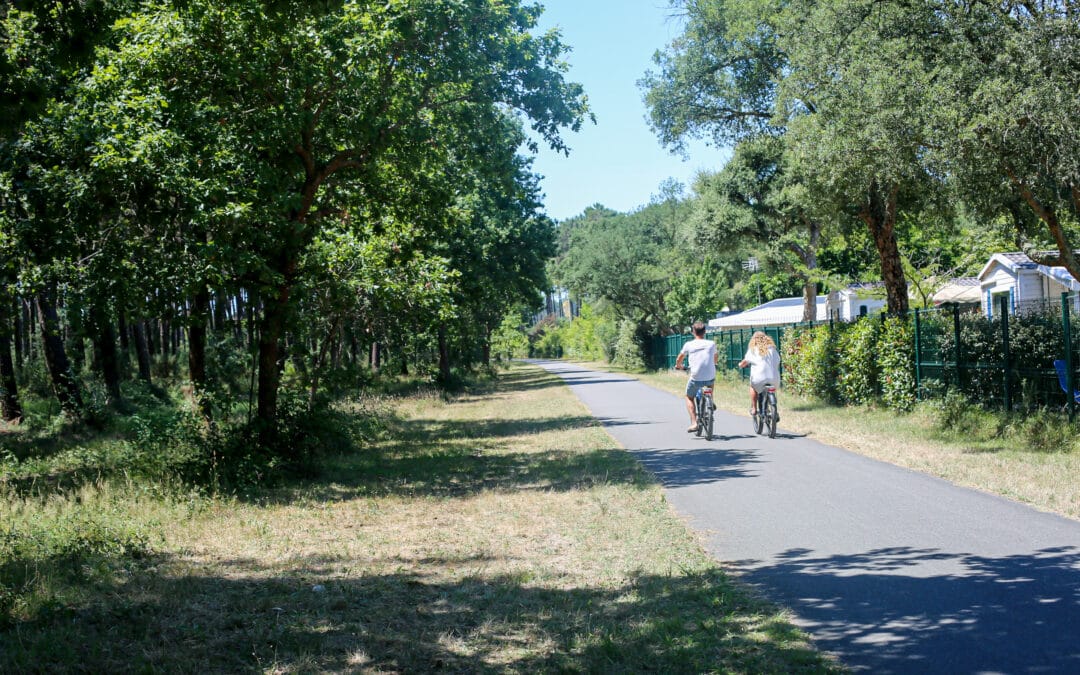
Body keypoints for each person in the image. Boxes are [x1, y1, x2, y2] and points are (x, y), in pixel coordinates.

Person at [674, 321, 719, 432]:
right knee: (710, 382)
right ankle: (710, 401)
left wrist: (678, 366)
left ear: (693, 332)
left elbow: (680, 358)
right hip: (710, 376)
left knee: (689, 397)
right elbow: (716, 357)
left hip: (696, 377)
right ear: (704, 331)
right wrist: (714, 363)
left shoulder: (689, 344)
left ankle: (694, 423)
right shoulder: (711, 343)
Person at [738, 331, 781, 418]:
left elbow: (745, 362)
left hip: (759, 379)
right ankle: (773, 409)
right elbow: (778, 361)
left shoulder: (753, 350)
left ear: (754, 340)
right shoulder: (772, 349)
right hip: (774, 379)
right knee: (772, 388)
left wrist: (740, 365)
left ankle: (754, 408)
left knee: (752, 386)